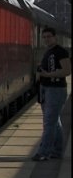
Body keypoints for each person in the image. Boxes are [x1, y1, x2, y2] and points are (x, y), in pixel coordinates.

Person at [33, 27, 70, 161]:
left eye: (49, 36)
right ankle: (57, 151)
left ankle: (44, 152)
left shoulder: (61, 52)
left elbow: (67, 71)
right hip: (46, 89)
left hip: (56, 90)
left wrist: (48, 75)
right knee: (55, 122)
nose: (47, 39)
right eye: (44, 37)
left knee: (49, 122)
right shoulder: (47, 52)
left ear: (55, 37)